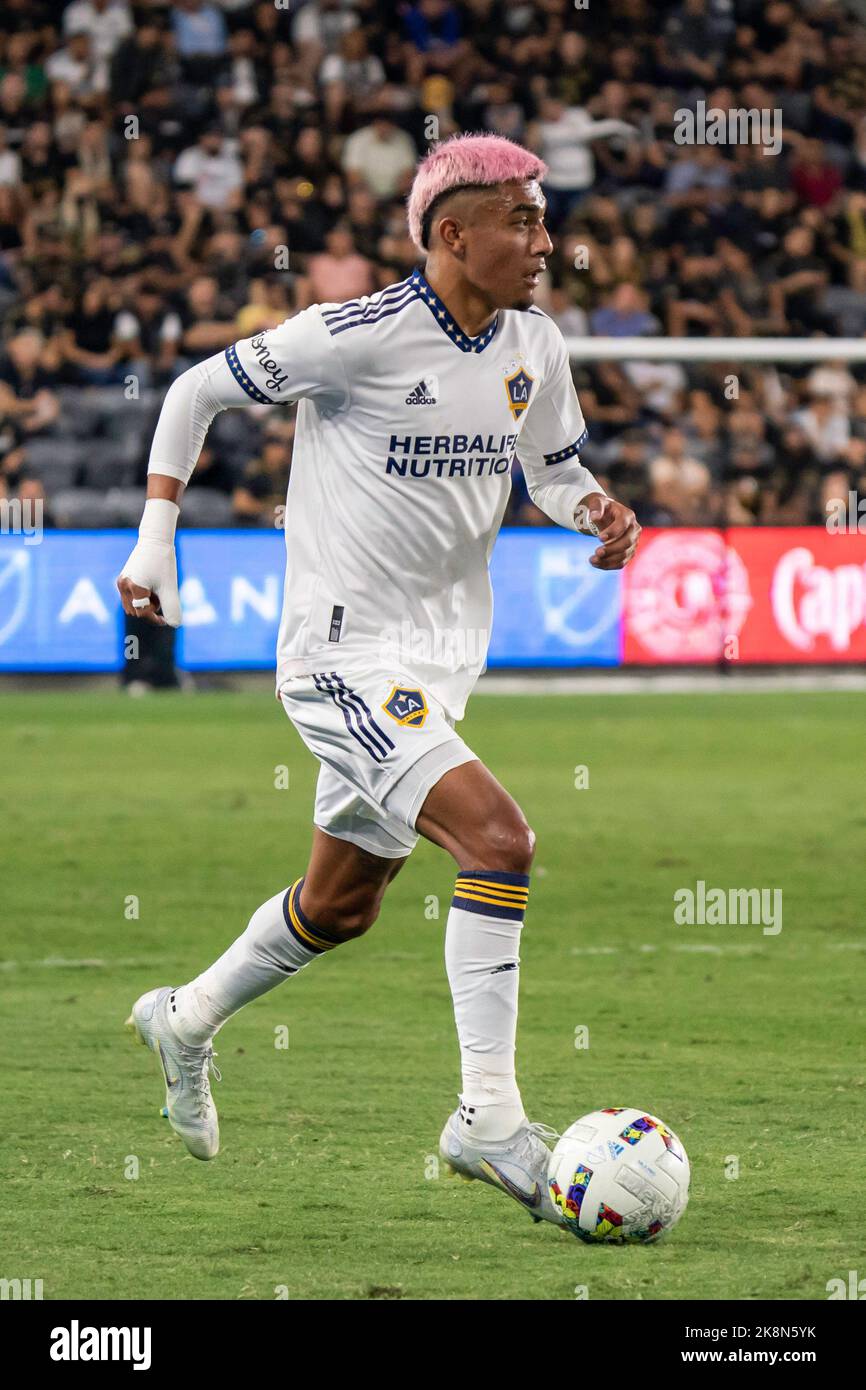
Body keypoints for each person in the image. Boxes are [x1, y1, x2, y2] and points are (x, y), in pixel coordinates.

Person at [117, 132, 640, 1231]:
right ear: (452, 233)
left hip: (438, 666)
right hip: (338, 656)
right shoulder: (351, 337)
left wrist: (592, 508)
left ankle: (186, 1016)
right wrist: (155, 537)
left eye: (544, 220)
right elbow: (192, 390)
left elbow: (549, 467)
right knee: (498, 842)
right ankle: (487, 1121)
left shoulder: (533, 346)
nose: (546, 242)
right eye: (523, 222)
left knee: (341, 905)